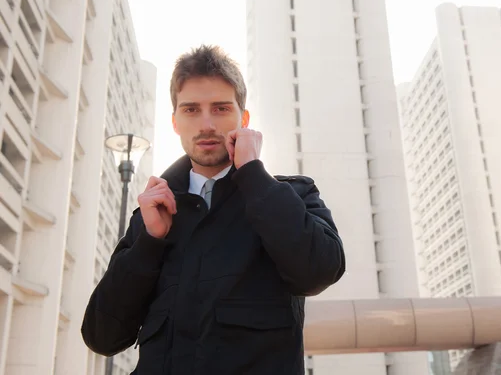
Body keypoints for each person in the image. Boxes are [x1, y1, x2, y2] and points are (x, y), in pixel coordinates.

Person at [81, 45, 346, 374]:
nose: (206, 124)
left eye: (220, 108)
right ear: (175, 122)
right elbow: (101, 336)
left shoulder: (292, 195)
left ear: (243, 119)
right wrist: (149, 244)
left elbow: (319, 271)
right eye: (191, 110)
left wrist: (253, 175)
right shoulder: (152, 214)